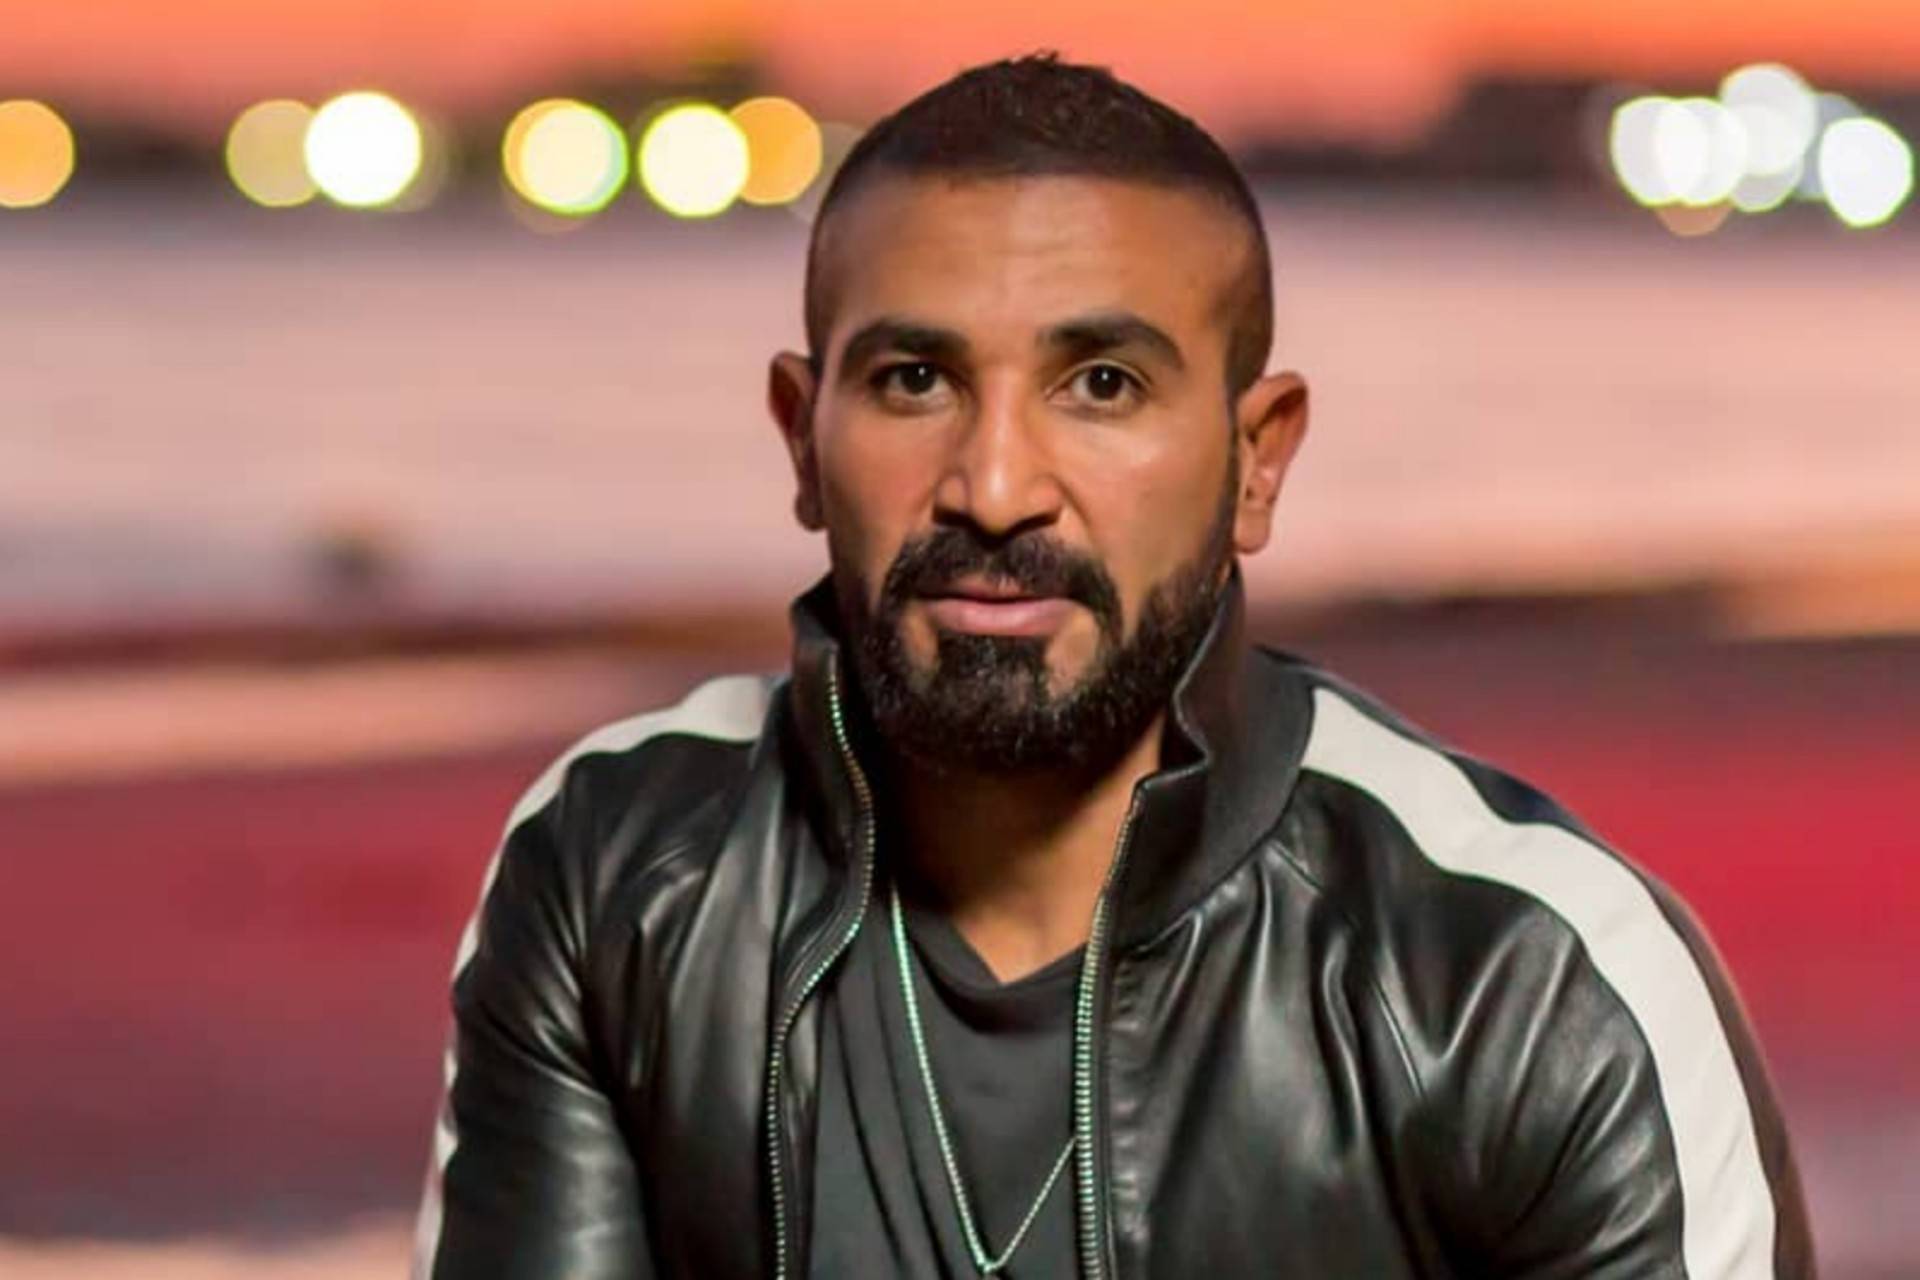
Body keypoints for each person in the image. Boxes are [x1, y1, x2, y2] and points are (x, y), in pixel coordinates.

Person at [411, 54, 1814, 1279]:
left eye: (1102, 385)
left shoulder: (1526, 980)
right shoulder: (620, 875)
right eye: (914, 380)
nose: (997, 487)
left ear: (1256, 463)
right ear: (801, 436)